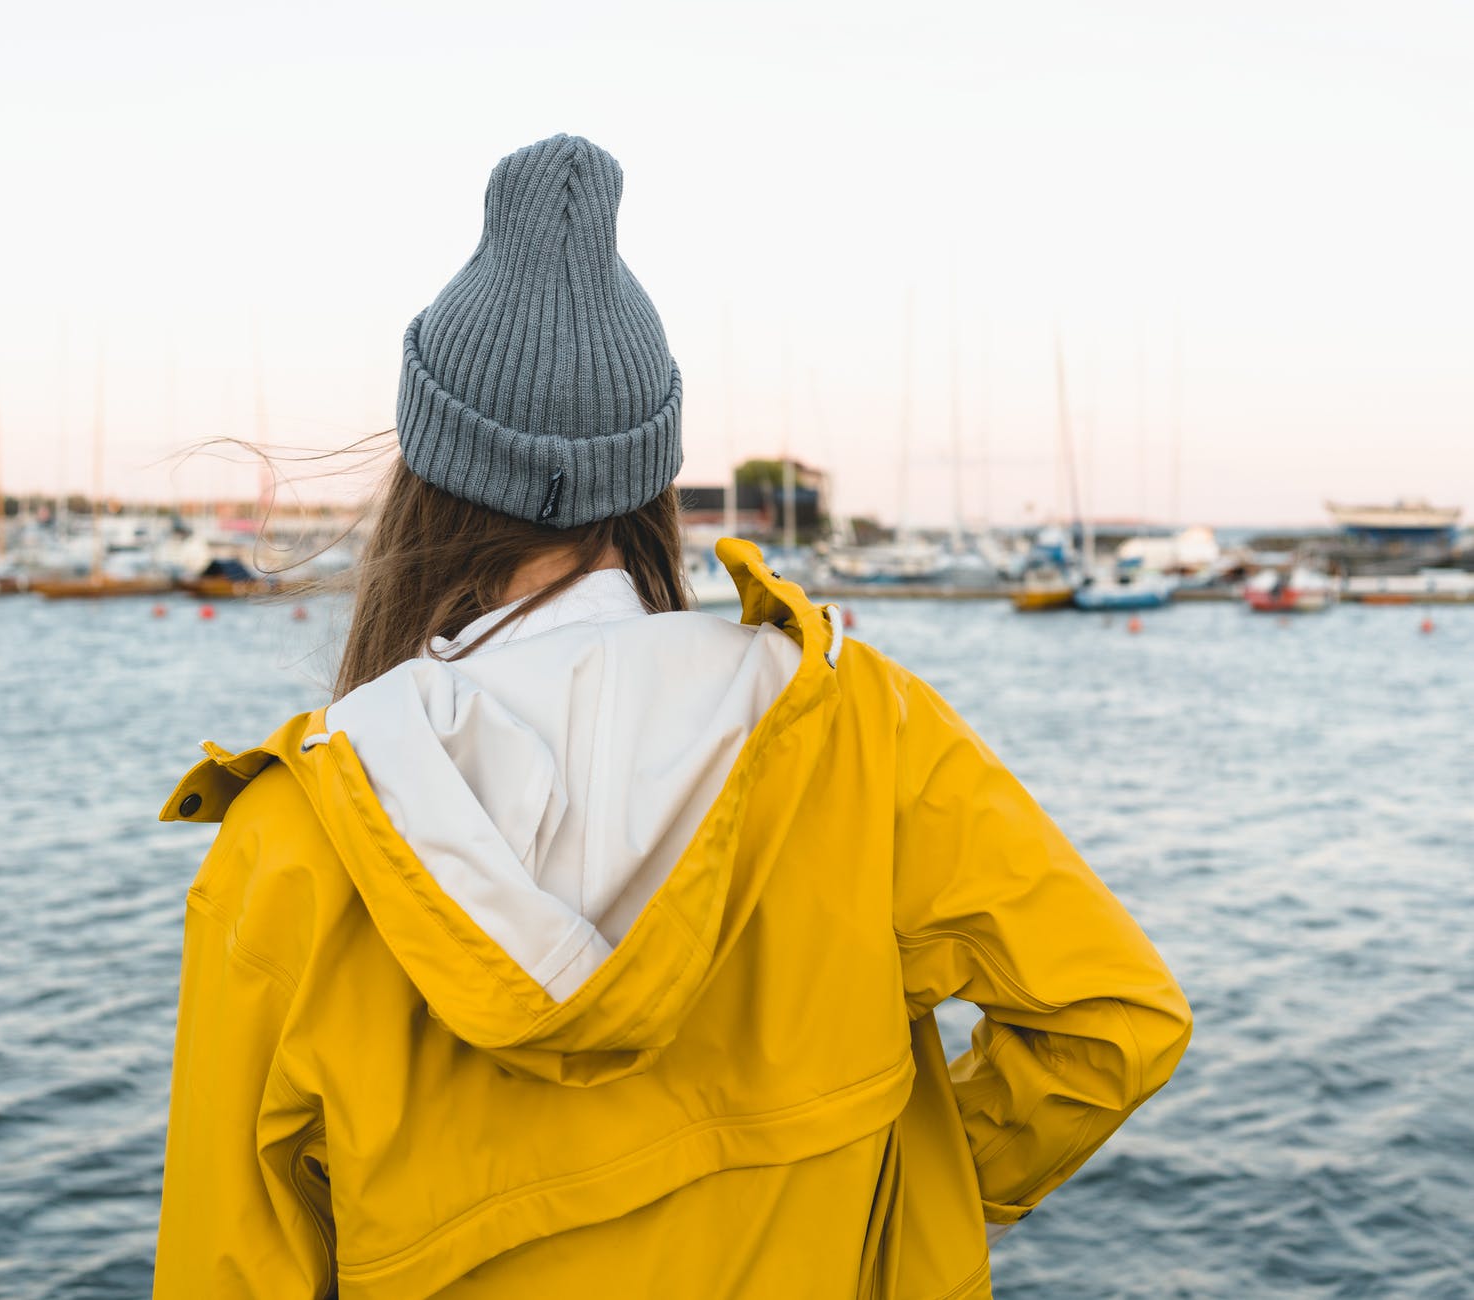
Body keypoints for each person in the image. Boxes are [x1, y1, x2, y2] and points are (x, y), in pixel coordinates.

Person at [153, 133, 1190, 1299]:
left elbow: (223, 1270)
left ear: (424, 478)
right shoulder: (858, 730)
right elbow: (1111, 1026)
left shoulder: (293, 844)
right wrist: (902, 1190)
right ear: (651, 480)